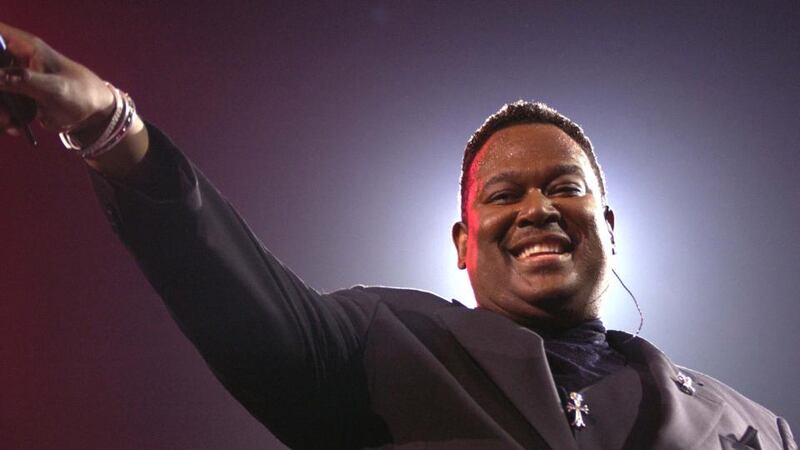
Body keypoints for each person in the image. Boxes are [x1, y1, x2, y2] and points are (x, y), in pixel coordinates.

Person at [0, 23, 795, 450]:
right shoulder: (384, 344)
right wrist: (109, 122)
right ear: (461, 240)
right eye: (503, 195)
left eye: (565, 187)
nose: (537, 209)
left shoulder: (754, 428)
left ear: (609, 229)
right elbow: (232, 290)